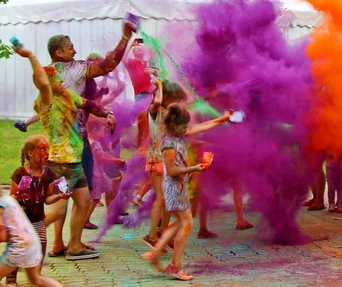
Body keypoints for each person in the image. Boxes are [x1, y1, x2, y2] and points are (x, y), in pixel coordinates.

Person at [14, 44, 117, 261]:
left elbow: (89, 104)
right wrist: (30, 54)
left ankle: (74, 247)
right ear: (48, 83)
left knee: (82, 201)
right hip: (61, 165)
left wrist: (106, 112)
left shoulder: (67, 95)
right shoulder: (46, 101)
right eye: (55, 79)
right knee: (62, 208)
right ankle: (25, 234)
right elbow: (42, 81)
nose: (60, 81)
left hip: (73, 163)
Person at [142, 104, 231, 280]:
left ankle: (156, 253)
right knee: (187, 223)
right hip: (175, 186)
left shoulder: (178, 135)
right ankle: (175, 265)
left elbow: (200, 127)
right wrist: (194, 169)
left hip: (179, 185)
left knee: (179, 222)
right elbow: (172, 170)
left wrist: (222, 119)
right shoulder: (168, 144)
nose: (187, 129)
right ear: (174, 125)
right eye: (184, 126)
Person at [6, 135, 71, 286]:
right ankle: (11, 279)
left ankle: (36, 276)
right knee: (16, 249)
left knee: (40, 248)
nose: (46, 152)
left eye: (47, 149)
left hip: (38, 220)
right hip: (20, 220)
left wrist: (59, 196)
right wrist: (18, 195)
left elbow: (47, 198)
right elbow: (11, 198)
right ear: (30, 152)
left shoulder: (48, 173)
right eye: (42, 149)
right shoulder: (20, 173)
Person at [138, 78, 187, 247]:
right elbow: (157, 101)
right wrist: (158, 85)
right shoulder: (154, 110)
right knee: (161, 198)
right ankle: (152, 235)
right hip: (157, 159)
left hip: (165, 158)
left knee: (168, 199)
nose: (176, 103)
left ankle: (163, 232)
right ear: (164, 96)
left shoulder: (167, 113)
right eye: (174, 98)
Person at [0, 191, 63, 287]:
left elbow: (3, 235)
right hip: (32, 242)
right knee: (37, 279)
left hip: (19, 247)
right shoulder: (7, 199)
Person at [84, 117, 126, 230]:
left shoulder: (94, 142)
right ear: (94, 130)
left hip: (99, 173)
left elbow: (103, 155)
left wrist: (115, 160)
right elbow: (101, 158)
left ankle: (111, 215)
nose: (104, 133)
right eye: (102, 130)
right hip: (95, 174)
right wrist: (115, 161)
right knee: (96, 197)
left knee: (108, 191)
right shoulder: (93, 144)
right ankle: (85, 220)